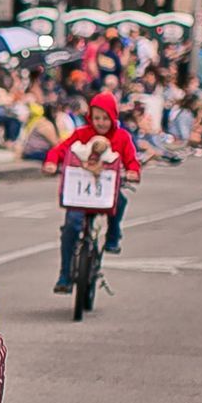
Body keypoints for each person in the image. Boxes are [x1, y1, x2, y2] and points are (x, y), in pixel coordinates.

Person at [44, 90, 141, 293]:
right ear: (90, 117)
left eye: (105, 118)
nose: (101, 123)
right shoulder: (81, 134)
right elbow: (61, 149)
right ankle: (65, 275)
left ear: (113, 117)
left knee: (120, 201)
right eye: (97, 118)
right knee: (71, 227)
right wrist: (52, 162)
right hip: (80, 193)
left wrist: (133, 171)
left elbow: (131, 159)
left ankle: (113, 235)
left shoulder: (121, 137)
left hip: (106, 190)